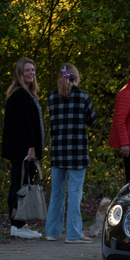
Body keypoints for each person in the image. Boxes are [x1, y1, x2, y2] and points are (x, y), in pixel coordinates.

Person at [44, 64, 97, 244]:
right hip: (77, 151)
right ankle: (74, 234)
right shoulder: (83, 96)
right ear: (77, 77)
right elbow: (92, 120)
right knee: (75, 192)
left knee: (56, 192)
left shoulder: (51, 97)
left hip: (58, 151)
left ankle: (52, 231)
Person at [1, 57, 44, 239]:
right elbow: (25, 125)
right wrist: (31, 148)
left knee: (21, 185)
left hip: (24, 149)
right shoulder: (20, 95)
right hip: (23, 150)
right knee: (19, 186)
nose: (31, 73)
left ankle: (20, 224)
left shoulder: (27, 94)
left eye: (33, 70)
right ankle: (17, 226)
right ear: (19, 73)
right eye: (27, 70)